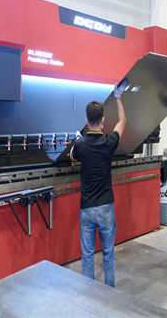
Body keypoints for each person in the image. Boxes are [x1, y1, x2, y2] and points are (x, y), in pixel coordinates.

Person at [70, 80, 127, 287]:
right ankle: (109, 293)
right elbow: (122, 121)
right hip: (106, 208)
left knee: (87, 256)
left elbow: (72, 157)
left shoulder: (80, 145)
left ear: (87, 121)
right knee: (108, 254)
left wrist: (77, 141)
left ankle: (89, 297)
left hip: (87, 208)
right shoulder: (109, 142)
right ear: (103, 120)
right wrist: (118, 96)